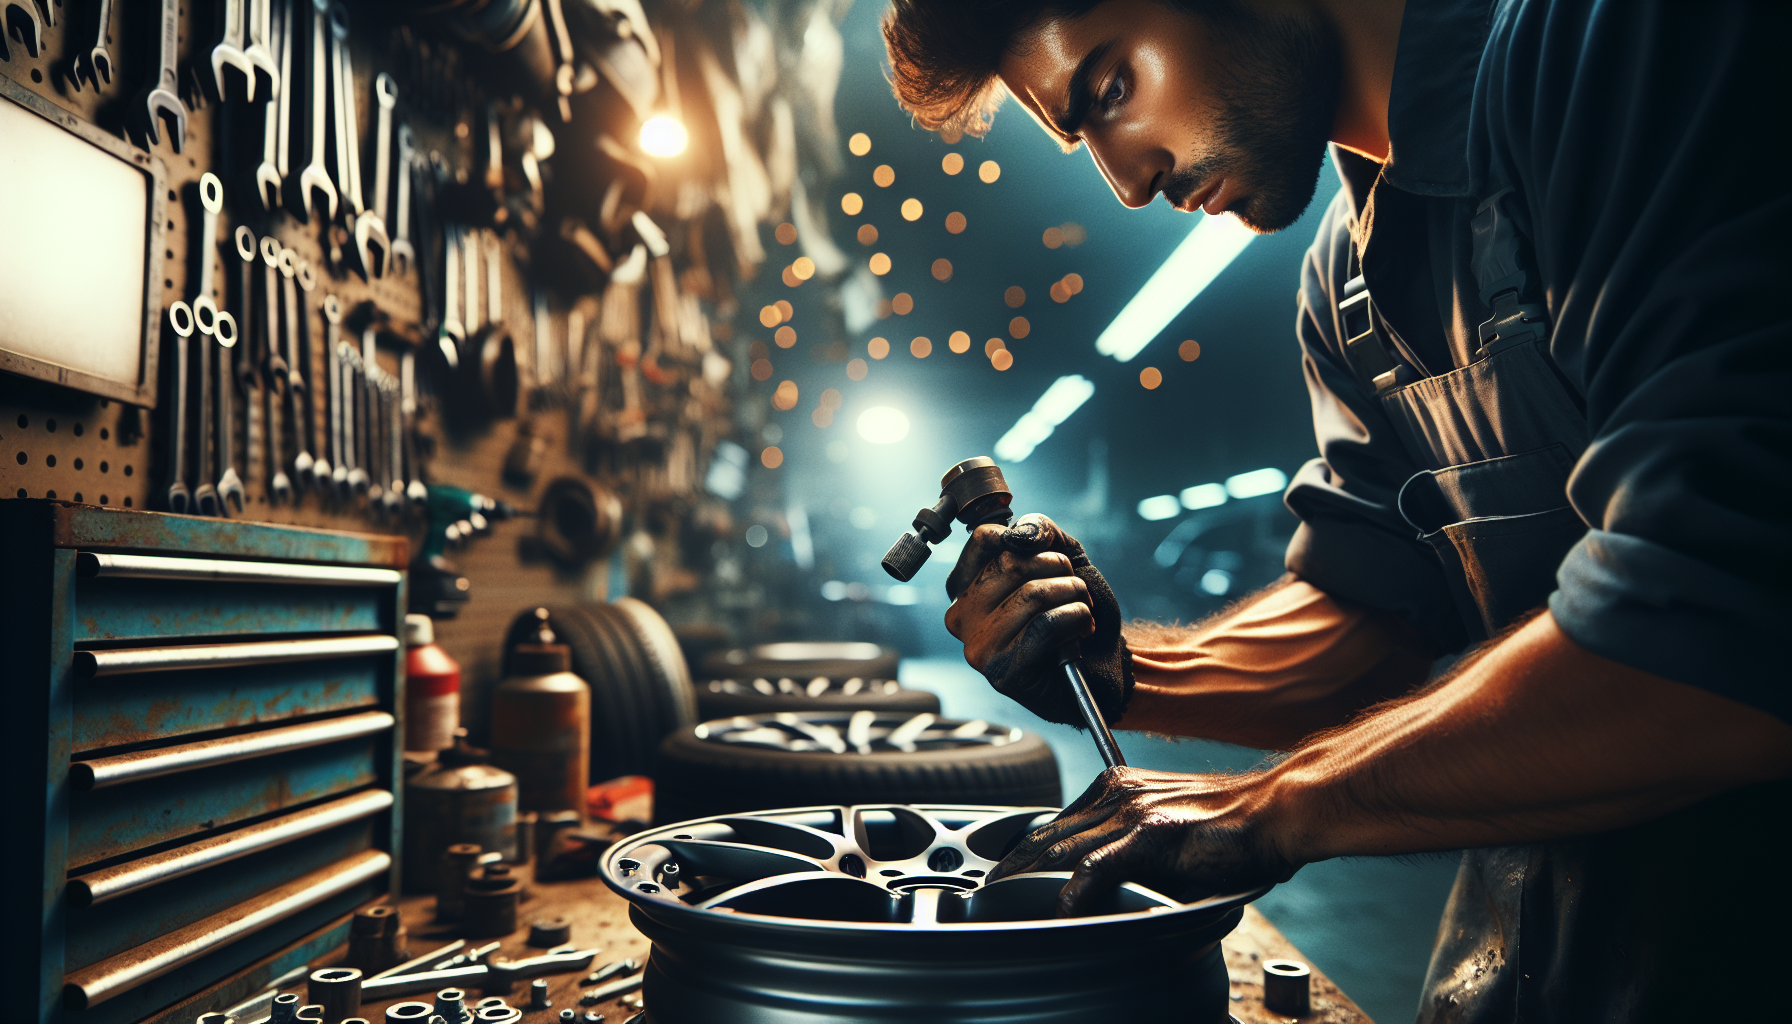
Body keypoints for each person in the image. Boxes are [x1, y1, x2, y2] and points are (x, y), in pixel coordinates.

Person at [882, 0, 1791, 1019]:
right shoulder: (1344, 280)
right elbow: (1375, 616)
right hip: (1532, 974)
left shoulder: (1616, 48)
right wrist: (1126, 666)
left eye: (1109, 90)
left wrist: (1274, 805)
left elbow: (1723, 625)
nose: (1126, 179)